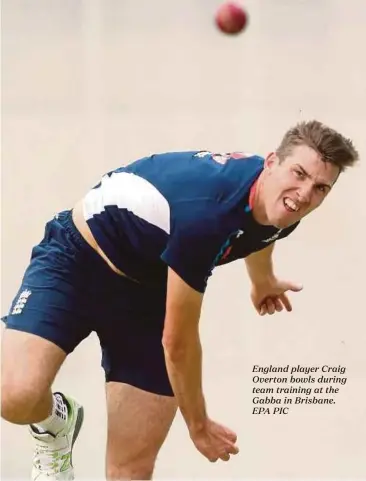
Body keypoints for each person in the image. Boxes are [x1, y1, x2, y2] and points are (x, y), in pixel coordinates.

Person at [1, 120, 358, 480]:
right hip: (77, 264)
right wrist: (198, 424)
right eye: (298, 174)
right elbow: (179, 344)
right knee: (14, 397)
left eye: (320, 188)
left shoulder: (286, 202)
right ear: (270, 162)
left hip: (150, 290)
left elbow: (265, 229)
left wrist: (262, 280)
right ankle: (56, 425)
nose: (304, 193)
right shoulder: (207, 215)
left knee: (130, 471)